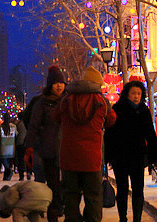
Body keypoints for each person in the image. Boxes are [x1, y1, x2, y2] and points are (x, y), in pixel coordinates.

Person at [57, 66, 116, 222]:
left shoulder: (66, 99)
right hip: (92, 159)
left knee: (71, 196)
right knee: (94, 197)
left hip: (68, 157)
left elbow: (56, 118)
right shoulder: (101, 102)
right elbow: (112, 120)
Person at [104, 81, 157, 222]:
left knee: (138, 189)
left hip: (137, 155)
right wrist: (108, 156)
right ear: (127, 94)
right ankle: (122, 218)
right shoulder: (117, 109)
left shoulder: (144, 110)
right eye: (133, 93)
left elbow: (150, 134)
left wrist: (154, 155)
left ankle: (137, 218)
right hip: (120, 156)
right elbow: (110, 134)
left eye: (139, 94)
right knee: (122, 189)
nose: (136, 96)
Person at [26, 65, 66, 222]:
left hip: (67, 151)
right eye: (56, 83)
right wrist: (30, 147)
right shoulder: (42, 103)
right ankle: (53, 214)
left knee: (65, 186)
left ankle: (61, 209)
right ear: (50, 85)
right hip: (48, 151)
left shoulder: (67, 101)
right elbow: (33, 126)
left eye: (61, 83)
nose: (59, 86)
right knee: (53, 186)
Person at [0, 112, 17, 181]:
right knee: (8, 161)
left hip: (3, 146)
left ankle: (8, 172)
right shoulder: (13, 126)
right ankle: (6, 175)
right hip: (11, 146)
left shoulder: (1, 126)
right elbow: (16, 134)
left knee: (4, 161)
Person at [14, 116, 28, 181]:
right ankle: (29, 172)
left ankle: (21, 175)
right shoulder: (28, 123)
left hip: (20, 143)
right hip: (27, 143)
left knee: (20, 160)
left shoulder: (18, 124)